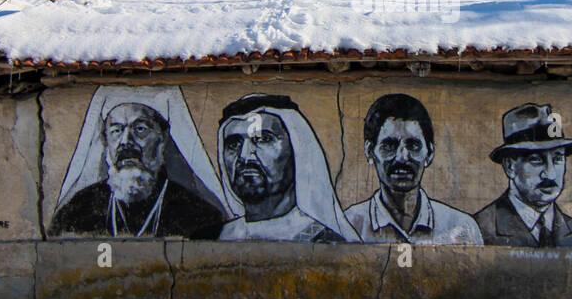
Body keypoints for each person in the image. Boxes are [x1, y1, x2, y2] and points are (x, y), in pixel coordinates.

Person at [51, 87, 228, 238]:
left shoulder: (199, 214)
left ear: (162, 139)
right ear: (106, 141)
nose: (125, 141)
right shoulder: (78, 209)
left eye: (140, 129)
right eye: (116, 130)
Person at [216, 93, 359, 242]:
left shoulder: (326, 244)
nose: (244, 156)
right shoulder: (213, 237)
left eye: (263, 139)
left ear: (297, 151)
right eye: (233, 144)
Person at [344, 94, 483, 245]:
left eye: (413, 145)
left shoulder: (462, 228)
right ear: (370, 151)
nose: (402, 157)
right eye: (389, 146)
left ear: (429, 153)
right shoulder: (347, 227)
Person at [474, 103, 572, 247]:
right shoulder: (481, 228)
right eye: (536, 160)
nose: (550, 175)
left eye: (558, 159)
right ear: (510, 166)